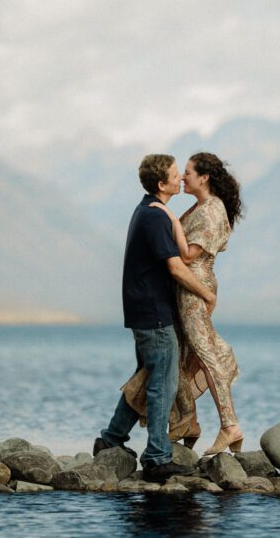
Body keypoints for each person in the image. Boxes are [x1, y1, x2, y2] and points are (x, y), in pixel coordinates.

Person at [95, 154, 217, 483]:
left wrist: (173, 219)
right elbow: (176, 266)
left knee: (149, 376)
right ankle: (158, 457)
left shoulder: (152, 211)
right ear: (162, 184)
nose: (181, 179)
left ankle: (111, 438)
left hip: (142, 311)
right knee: (162, 384)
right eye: (175, 176)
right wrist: (206, 294)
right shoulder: (154, 217)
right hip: (154, 313)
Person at [125, 151, 244, 457]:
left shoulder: (211, 209)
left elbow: (189, 256)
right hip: (185, 288)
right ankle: (187, 421)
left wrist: (170, 219)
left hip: (195, 287)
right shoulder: (201, 206)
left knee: (206, 353)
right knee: (182, 355)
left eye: (188, 172)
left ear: (204, 177)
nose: (183, 177)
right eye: (181, 172)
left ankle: (229, 426)